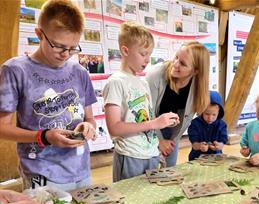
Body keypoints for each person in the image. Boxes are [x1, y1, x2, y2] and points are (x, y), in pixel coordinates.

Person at [0, 0, 97, 191]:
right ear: (39, 35)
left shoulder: (80, 72)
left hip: (81, 170)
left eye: (73, 48)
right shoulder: (15, 70)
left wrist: (88, 127)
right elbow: (2, 129)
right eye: (59, 46)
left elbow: (90, 119)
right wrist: (44, 136)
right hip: (41, 173)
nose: (66, 54)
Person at [103, 21, 180, 182]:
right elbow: (114, 128)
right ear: (125, 50)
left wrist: (163, 124)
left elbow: (145, 119)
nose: (147, 60)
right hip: (130, 156)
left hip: (150, 154)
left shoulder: (143, 82)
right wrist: (155, 124)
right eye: (143, 54)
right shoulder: (116, 82)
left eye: (149, 54)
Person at [146, 41, 210, 167]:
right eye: (176, 57)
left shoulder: (198, 86)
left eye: (183, 63)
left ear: (195, 71)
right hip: (149, 128)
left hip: (173, 132)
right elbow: (148, 113)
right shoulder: (155, 75)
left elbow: (185, 120)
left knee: (170, 171)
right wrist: (159, 140)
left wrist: (170, 141)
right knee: (150, 171)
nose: (175, 64)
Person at [188, 91, 228, 161]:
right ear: (202, 111)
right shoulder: (195, 124)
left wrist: (219, 145)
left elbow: (223, 142)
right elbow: (194, 145)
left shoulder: (222, 124)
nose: (210, 118)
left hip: (216, 158)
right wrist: (200, 146)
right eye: (207, 114)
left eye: (214, 115)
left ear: (219, 112)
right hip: (196, 158)